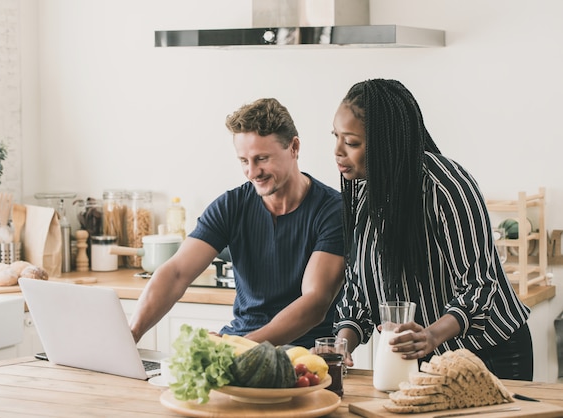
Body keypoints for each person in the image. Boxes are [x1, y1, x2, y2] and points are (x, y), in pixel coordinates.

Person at [331, 78, 533, 380]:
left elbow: (480, 286)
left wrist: (430, 336)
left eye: (352, 142)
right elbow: (358, 291)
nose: (337, 151)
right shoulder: (364, 196)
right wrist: (340, 346)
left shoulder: (446, 186)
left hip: (489, 353)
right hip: (428, 357)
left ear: (387, 142)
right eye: (335, 137)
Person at [130, 97, 345, 348]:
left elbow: (315, 302)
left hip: (306, 352)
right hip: (241, 340)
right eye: (244, 161)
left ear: (294, 147)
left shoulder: (332, 210)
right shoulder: (232, 206)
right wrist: (131, 333)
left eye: (262, 158)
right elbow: (176, 272)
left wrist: (237, 347)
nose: (252, 172)